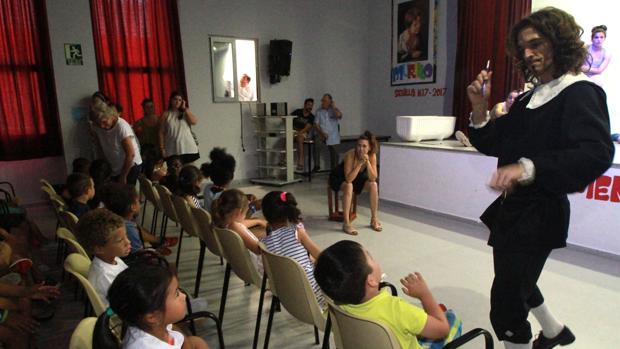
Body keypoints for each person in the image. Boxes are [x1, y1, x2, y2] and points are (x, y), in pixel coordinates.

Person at [466, 7, 614, 349]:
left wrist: (528, 167)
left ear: (559, 43)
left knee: (505, 307)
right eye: (523, 47)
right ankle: (554, 331)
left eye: (536, 44)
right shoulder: (531, 97)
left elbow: (596, 152)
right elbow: (494, 140)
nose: (528, 53)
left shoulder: (580, 92)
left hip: (540, 215)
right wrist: (478, 106)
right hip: (513, 212)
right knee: (518, 281)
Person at [314, 240, 454, 349]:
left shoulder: (335, 303)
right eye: (370, 256)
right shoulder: (397, 309)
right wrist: (424, 294)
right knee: (451, 317)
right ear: (372, 281)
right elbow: (442, 330)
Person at [92, 263, 209, 349]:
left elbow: (174, 331)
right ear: (152, 316)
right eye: (176, 294)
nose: (184, 296)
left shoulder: (151, 325)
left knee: (197, 341)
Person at [259, 191, 323, 307]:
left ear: (265, 215)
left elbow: (269, 274)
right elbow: (323, 258)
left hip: (287, 298)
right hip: (314, 298)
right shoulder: (297, 232)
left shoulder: (263, 244)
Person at [100, 183, 177, 257]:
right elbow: (139, 254)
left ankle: (157, 242)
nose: (139, 202)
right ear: (133, 207)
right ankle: (156, 246)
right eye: (137, 200)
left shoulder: (116, 219)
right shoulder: (129, 230)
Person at [74, 209, 131, 307]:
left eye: (126, 236)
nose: (128, 242)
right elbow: (123, 306)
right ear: (99, 249)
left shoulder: (112, 258)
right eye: (120, 240)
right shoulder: (104, 276)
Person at [329, 131, 381, 235]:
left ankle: (374, 219)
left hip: (356, 177)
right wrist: (360, 163)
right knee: (349, 186)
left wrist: (368, 163)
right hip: (339, 177)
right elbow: (348, 179)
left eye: (364, 146)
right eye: (359, 145)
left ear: (369, 148)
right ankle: (346, 223)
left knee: (374, 185)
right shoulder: (350, 154)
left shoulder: (372, 156)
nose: (360, 149)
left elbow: (373, 177)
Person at [90, 100, 143, 185]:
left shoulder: (121, 126)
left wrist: (123, 176)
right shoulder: (97, 126)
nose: (102, 126)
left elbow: (131, 154)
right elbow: (100, 147)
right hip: (115, 167)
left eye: (104, 122)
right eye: (98, 124)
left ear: (110, 116)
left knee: (125, 194)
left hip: (130, 166)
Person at [211, 189, 263, 272]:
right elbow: (259, 250)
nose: (245, 216)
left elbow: (240, 223)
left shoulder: (221, 222)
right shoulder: (235, 226)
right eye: (245, 213)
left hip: (238, 265)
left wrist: (258, 221)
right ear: (238, 212)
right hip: (257, 267)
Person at [159, 91, 200, 164]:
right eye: (175, 99)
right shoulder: (166, 114)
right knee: (175, 170)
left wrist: (185, 109)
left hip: (187, 147)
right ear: (171, 100)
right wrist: (162, 148)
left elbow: (194, 122)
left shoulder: (185, 112)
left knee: (189, 170)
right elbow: (161, 132)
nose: (177, 102)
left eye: (179, 100)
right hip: (172, 147)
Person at [314, 93, 343, 171]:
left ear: (330, 102)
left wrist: (333, 107)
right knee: (316, 142)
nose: (323, 102)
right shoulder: (319, 111)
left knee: (335, 154)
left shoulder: (334, 110)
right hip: (321, 134)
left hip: (333, 135)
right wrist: (322, 133)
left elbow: (339, 116)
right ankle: (317, 165)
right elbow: (316, 124)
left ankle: (334, 171)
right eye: (322, 100)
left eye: (325, 101)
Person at [291, 98, 316, 171]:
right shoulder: (298, 112)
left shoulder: (311, 117)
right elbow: (288, 118)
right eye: (308, 105)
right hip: (293, 130)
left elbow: (307, 128)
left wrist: (298, 133)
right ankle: (284, 159)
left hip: (303, 132)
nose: (310, 107)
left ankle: (300, 162)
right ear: (305, 105)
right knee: (288, 137)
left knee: (300, 138)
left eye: (311, 106)